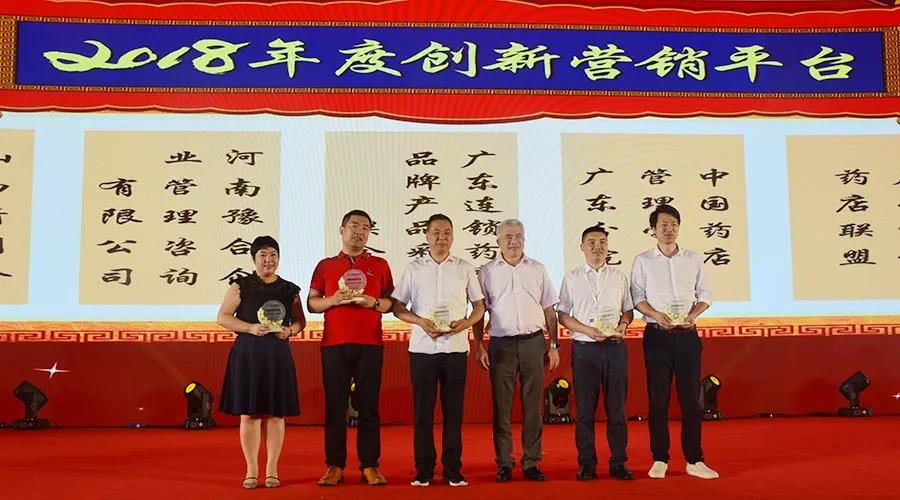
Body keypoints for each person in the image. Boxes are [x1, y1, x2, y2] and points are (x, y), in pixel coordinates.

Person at [392, 214, 485, 488]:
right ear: (427, 235)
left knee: (453, 413)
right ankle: (423, 470)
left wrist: (466, 323)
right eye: (436, 232)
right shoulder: (414, 268)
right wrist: (420, 321)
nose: (441, 237)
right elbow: (398, 307)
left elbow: (479, 306)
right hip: (422, 350)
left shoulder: (464, 268)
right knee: (423, 413)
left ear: (453, 236)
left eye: (447, 233)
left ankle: (453, 469)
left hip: (455, 349)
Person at [630, 204, 719, 480]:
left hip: (687, 337)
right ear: (653, 230)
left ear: (679, 227)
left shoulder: (693, 259)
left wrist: (694, 314)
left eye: (673, 225)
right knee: (658, 400)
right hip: (657, 336)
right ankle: (660, 458)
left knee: (691, 400)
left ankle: (694, 459)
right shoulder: (643, 260)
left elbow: (705, 293)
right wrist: (656, 315)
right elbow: (637, 297)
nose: (669, 229)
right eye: (663, 225)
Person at [308, 210, 394, 486]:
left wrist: (374, 303)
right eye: (354, 226)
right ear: (342, 230)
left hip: (370, 344)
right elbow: (312, 303)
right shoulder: (326, 266)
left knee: (369, 407)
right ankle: (334, 466)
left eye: (365, 228)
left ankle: (370, 465)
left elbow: (390, 302)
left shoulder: (379, 264)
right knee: (335, 407)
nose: (359, 231)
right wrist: (332, 300)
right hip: (334, 345)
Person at [473, 218, 560, 482]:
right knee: (502, 407)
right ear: (498, 241)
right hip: (502, 346)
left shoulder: (537, 269)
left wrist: (553, 346)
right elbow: (479, 312)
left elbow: (549, 310)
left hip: (534, 343)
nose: (514, 242)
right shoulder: (486, 272)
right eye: (508, 237)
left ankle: (531, 461)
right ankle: (504, 462)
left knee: (533, 406)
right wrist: (479, 346)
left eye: (519, 236)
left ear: (525, 239)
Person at [217, 235, 306, 490]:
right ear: (253, 259)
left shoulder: (289, 289)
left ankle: (272, 470)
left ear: (279, 258)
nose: (268, 260)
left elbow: (300, 322)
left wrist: (289, 331)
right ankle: (251, 469)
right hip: (249, 354)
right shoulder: (241, 286)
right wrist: (250, 327)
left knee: (276, 415)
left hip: (277, 354)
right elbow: (223, 317)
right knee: (250, 414)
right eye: (263, 255)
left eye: (273, 255)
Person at [557, 226, 634, 481]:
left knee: (617, 409)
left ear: (608, 247)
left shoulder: (619, 277)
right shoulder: (571, 278)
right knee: (585, 410)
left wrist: (623, 325)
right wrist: (587, 330)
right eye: (591, 242)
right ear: (582, 247)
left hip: (614, 348)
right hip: (584, 350)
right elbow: (563, 315)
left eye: (602, 242)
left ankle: (619, 462)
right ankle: (587, 463)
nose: (597, 247)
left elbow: (628, 310)